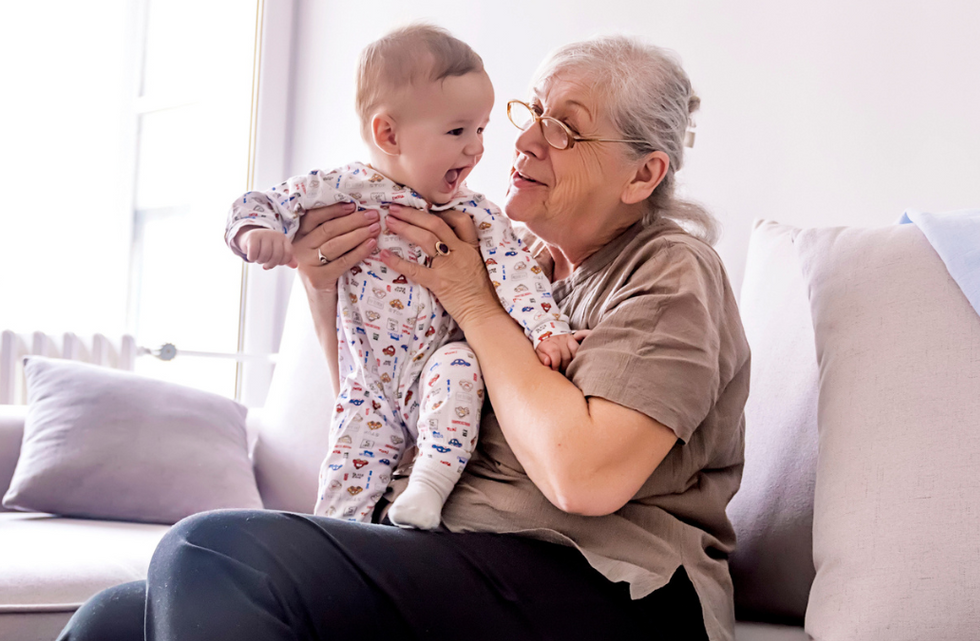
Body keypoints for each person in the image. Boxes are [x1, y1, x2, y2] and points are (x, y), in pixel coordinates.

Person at [58, 34, 748, 641]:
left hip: (615, 587)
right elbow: (397, 411)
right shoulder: (523, 264)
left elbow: (584, 474)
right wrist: (324, 291)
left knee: (213, 549)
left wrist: (473, 302)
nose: (526, 139)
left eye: (564, 128)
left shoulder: (669, 268)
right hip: (459, 551)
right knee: (114, 619)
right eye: (531, 112)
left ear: (643, 174)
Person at [223, 24, 578, 529]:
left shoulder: (474, 212)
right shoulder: (342, 189)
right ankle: (335, 547)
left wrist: (548, 329)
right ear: (388, 134)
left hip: (436, 369)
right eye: (458, 132)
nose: (476, 150)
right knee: (343, 486)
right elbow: (260, 202)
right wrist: (254, 232)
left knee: (460, 366)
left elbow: (518, 273)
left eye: (480, 130)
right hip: (368, 385)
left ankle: (428, 486)